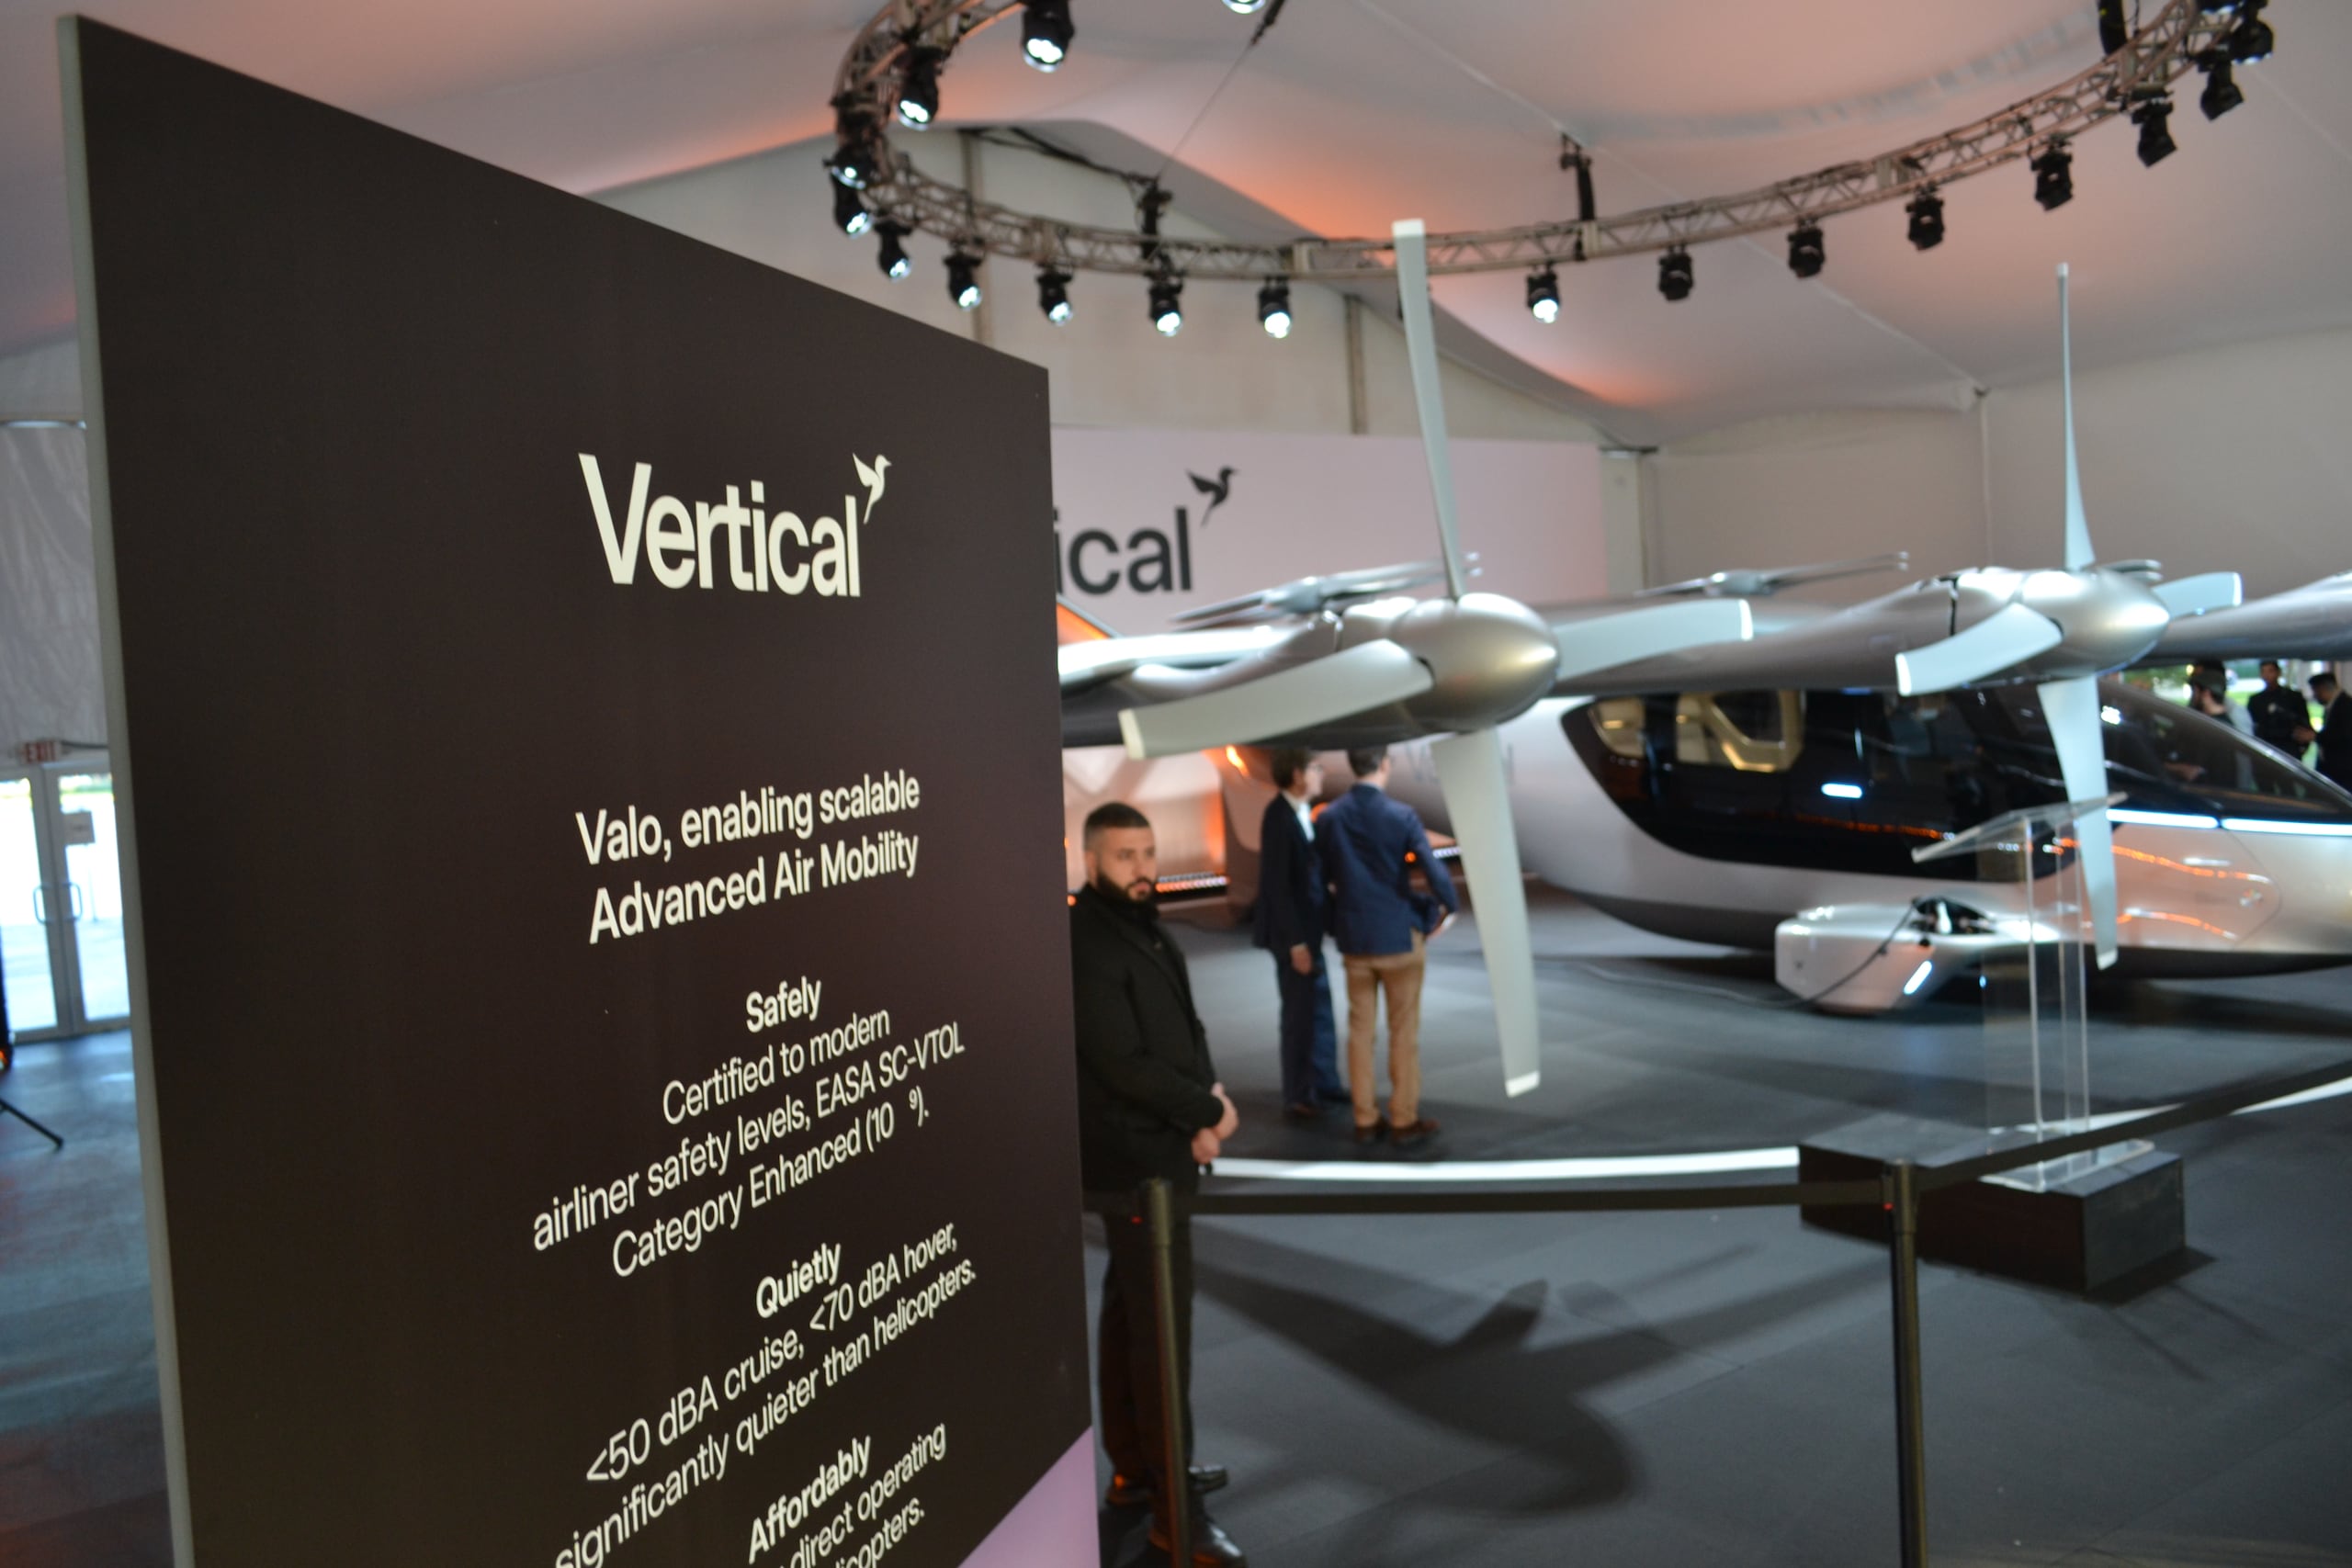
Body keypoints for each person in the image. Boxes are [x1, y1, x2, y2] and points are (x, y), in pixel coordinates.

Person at [1069, 802, 1246, 1568]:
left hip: (1160, 1154)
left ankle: (1139, 1473)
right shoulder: (1085, 939)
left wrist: (1203, 1103)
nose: (1142, 868)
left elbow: (1185, 1029)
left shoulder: (1141, 925)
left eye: (1146, 852)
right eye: (1124, 857)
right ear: (1090, 861)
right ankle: (1176, 1516)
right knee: (1160, 1334)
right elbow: (1121, 1062)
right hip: (1137, 1167)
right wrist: (1206, 1111)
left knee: (1128, 1316)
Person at [1316, 744, 1457, 1148]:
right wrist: (1449, 908)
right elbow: (1432, 869)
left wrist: (1333, 921)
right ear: (1385, 765)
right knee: (1403, 1032)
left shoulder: (1330, 818)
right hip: (1398, 938)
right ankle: (1403, 1118)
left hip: (1355, 940)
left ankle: (1364, 1118)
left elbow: (1318, 879)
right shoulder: (1401, 816)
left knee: (1360, 1033)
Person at [1251, 748, 1345, 1121]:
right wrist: (1296, 944)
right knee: (1299, 1017)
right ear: (1296, 775)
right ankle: (1298, 1094)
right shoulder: (1277, 817)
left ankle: (1323, 1084)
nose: (1321, 773)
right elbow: (1276, 886)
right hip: (1294, 939)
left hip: (1309, 933)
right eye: (1315, 767)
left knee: (1318, 1011)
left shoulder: (1300, 812)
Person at [2249, 660, 2312, 756]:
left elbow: (2303, 722)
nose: (2267, 675)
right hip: (2265, 745)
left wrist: (2302, 747)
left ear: (2278, 673)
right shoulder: (2256, 700)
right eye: (2263, 672)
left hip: (2289, 747)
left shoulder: (2293, 697)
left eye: (2270, 671)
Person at [2309, 674, 2352, 791]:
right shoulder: (2335, 706)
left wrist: (2316, 736)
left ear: (2323, 688)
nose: (2314, 696)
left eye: (2315, 691)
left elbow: (2345, 737)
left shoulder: (2346, 706)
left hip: (2342, 771)